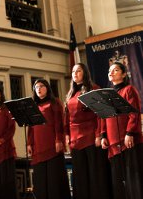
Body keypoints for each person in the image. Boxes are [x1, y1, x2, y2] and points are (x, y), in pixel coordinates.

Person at [64, 63, 112, 199]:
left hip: (91, 137)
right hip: (75, 139)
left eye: (78, 71)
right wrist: (67, 135)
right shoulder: (71, 93)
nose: (75, 74)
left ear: (85, 73)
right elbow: (66, 118)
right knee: (80, 176)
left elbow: (101, 114)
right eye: (73, 71)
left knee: (95, 174)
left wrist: (99, 134)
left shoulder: (94, 89)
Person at [101, 62, 143, 199]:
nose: (111, 72)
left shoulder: (129, 89)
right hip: (113, 143)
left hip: (128, 141)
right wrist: (103, 136)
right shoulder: (107, 94)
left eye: (116, 70)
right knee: (118, 181)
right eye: (109, 70)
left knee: (133, 179)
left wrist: (129, 133)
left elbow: (134, 113)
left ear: (124, 74)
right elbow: (103, 116)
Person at [27, 79, 70, 199]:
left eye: (41, 86)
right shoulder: (33, 106)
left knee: (54, 181)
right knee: (40, 181)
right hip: (38, 147)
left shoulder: (54, 102)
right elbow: (30, 127)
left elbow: (59, 122)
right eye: (36, 87)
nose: (38, 89)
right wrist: (29, 143)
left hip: (52, 146)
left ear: (47, 88)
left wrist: (59, 140)